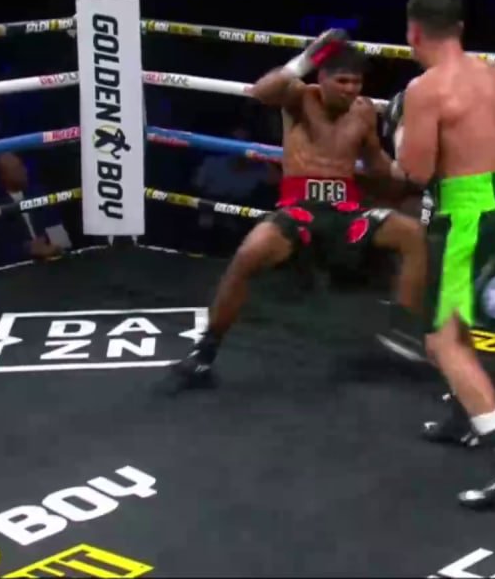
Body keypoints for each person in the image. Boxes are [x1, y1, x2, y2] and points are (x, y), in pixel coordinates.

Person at [167, 33, 428, 385]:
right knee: (249, 254)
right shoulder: (299, 98)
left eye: (356, 82)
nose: (350, 89)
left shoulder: (364, 110)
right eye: (342, 81)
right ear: (322, 77)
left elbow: (376, 164)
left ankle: (403, 334)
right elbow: (261, 91)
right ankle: (204, 354)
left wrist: (409, 171)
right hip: (299, 211)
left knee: (412, 233)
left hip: (347, 214)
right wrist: (306, 58)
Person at [387, 0, 495, 510]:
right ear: (461, 29)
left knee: (442, 339)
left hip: (466, 217)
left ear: (413, 32)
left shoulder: (425, 89)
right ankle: (461, 416)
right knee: (460, 321)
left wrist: (399, 133)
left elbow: (415, 171)